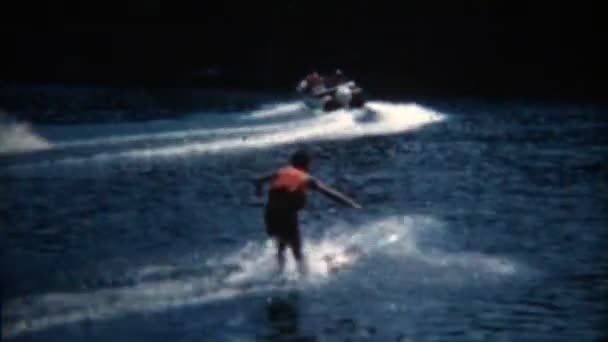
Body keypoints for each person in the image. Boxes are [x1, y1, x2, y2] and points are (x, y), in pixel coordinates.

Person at [251, 149, 362, 275]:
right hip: (286, 216)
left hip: (270, 215)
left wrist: (258, 193)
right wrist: (352, 204)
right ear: (307, 165)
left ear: (291, 163)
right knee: (296, 249)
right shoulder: (306, 178)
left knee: (281, 245)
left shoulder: (280, 172)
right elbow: (329, 193)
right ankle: (304, 277)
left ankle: (279, 271)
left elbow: (257, 180)